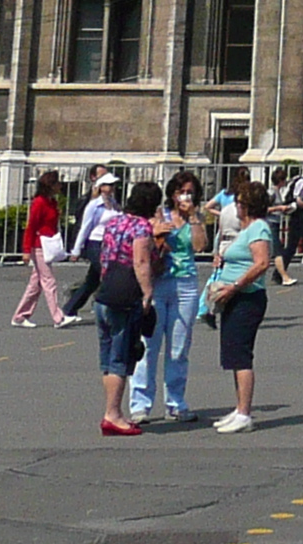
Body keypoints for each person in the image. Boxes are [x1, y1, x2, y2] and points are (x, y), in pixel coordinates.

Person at [201, 179, 279, 434]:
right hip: (234, 296)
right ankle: (239, 408)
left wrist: (235, 285)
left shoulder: (258, 229)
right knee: (233, 355)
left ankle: (245, 413)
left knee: (241, 355)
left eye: (239, 202)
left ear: (247, 205)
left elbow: (261, 263)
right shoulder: (247, 230)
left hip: (247, 297)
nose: (236, 207)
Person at [130, 171, 207, 425]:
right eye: (181, 191)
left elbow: (199, 246)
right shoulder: (159, 214)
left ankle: (175, 402)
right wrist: (156, 231)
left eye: (190, 192)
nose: (185, 196)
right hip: (159, 282)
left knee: (179, 348)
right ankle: (140, 404)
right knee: (148, 345)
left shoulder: (195, 218)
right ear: (172, 194)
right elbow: (143, 242)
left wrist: (194, 217)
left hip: (185, 283)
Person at [91, 181, 162, 437]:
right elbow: (140, 261)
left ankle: (113, 411)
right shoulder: (141, 227)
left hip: (106, 292)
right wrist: (147, 293)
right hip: (126, 295)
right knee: (121, 355)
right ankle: (113, 414)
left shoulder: (113, 222)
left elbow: (104, 257)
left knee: (108, 357)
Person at [12, 172, 69, 328]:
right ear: (50, 185)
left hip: (48, 243)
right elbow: (31, 226)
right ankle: (58, 317)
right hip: (39, 245)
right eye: (57, 183)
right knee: (48, 281)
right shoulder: (39, 202)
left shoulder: (52, 202)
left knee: (36, 284)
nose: (60, 186)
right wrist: (26, 250)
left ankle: (20, 316)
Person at [61, 170, 120, 317]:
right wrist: (76, 250)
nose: (112, 188)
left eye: (113, 185)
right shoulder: (94, 205)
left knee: (92, 281)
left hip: (110, 243)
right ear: (101, 187)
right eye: (109, 185)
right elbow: (85, 227)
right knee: (105, 274)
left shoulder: (114, 204)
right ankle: (109, 307)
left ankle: (69, 308)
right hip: (95, 242)